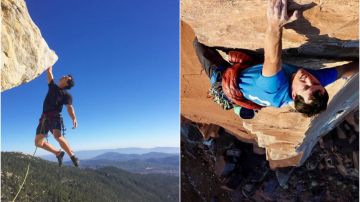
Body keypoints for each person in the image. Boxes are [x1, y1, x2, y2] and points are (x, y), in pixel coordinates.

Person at [193, 0, 358, 118]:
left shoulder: (275, 87)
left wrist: (274, 24)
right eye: (316, 83)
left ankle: (236, 105)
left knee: (199, 44)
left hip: (230, 83)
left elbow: (272, 58)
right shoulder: (315, 85)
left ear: (294, 96)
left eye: (306, 86)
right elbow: (345, 71)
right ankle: (244, 108)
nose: (309, 79)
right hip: (254, 78)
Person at [35, 66, 80, 167]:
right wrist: (49, 65)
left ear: (67, 83)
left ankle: (72, 156)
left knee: (57, 136)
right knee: (38, 143)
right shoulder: (52, 87)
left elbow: (69, 108)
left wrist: (74, 118)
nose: (64, 76)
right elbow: (50, 74)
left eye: (67, 77)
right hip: (44, 118)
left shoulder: (66, 95)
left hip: (55, 116)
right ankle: (58, 153)